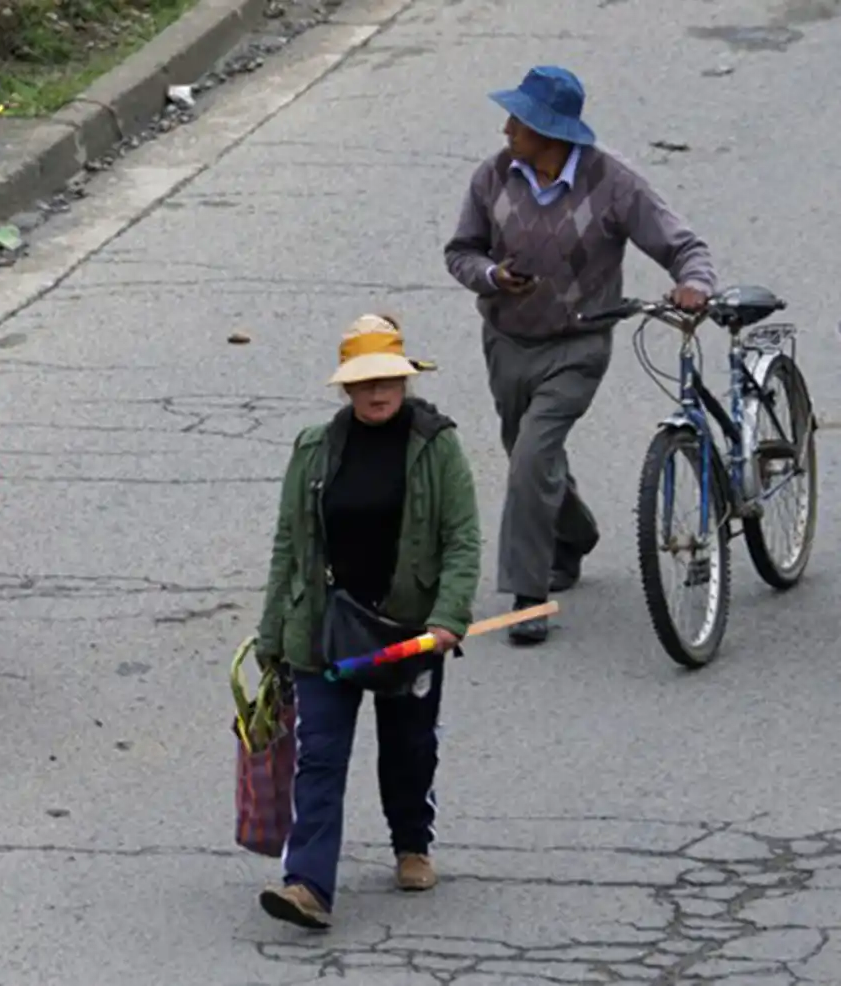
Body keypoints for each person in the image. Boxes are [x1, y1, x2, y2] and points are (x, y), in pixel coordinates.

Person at [443, 65, 716, 644]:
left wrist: (695, 283)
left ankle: (528, 594)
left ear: (551, 130)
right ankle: (575, 533)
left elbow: (682, 244)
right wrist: (492, 275)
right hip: (507, 341)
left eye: (518, 120)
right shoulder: (493, 176)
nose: (506, 128)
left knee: (532, 453)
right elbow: (461, 252)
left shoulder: (613, 183)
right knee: (526, 452)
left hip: (579, 344)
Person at [253, 315, 481, 930]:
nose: (377, 393)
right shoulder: (312, 450)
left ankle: (411, 844)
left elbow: (461, 538)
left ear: (404, 380)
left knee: (408, 748)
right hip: (326, 630)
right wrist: (273, 633)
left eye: (387, 380)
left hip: (408, 632)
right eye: (363, 383)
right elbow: (288, 545)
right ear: (346, 390)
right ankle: (307, 885)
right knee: (319, 756)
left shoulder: (437, 446)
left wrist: (450, 615)